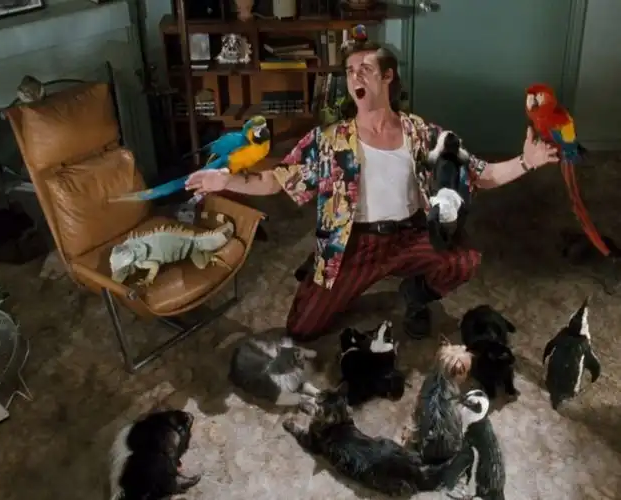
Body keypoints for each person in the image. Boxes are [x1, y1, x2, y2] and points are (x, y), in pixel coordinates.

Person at [185, 39, 558, 342]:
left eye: (364, 69)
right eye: (350, 71)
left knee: (464, 260)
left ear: (387, 76)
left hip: (410, 235)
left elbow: (481, 173)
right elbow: (275, 179)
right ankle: (327, 274)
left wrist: (526, 162)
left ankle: (415, 295)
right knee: (302, 328)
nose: (355, 77)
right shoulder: (330, 140)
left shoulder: (421, 133)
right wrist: (226, 180)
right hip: (355, 243)